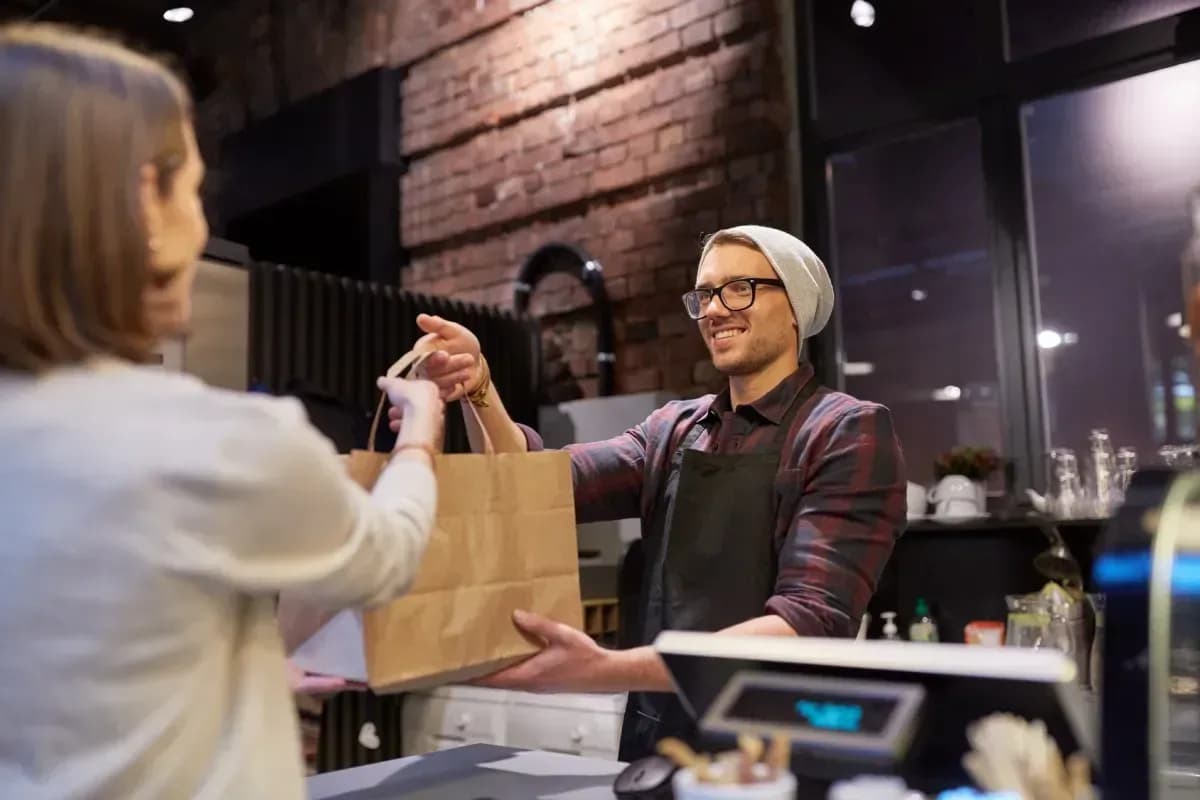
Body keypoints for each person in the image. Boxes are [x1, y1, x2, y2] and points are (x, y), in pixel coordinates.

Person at [0, 24, 441, 799]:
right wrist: (422, 437)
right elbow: (389, 555)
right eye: (193, 191)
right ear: (144, 199)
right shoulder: (218, 447)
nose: (203, 225)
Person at [410, 224, 907, 760]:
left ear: (794, 307)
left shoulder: (845, 430)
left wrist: (608, 670)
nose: (714, 310)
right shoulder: (674, 430)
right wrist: (478, 388)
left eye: (738, 288)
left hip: (776, 749)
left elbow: (809, 622)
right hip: (659, 740)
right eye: (705, 295)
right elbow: (535, 485)